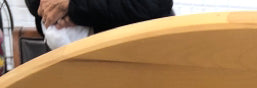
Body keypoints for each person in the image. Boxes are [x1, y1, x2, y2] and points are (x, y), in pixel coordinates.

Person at [25, 0, 173, 49]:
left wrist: (74, 7)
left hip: (134, 58)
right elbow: (35, 4)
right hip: (68, 64)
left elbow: (153, 4)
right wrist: (52, 10)